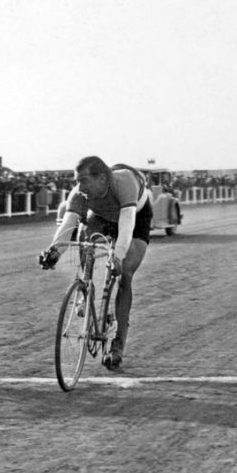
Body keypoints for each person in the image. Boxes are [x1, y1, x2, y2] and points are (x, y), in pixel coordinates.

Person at [38, 156, 152, 370]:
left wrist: (117, 257)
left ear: (101, 178)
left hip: (134, 217)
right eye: (76, 180)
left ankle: (117, 346)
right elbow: (68, 226)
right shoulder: (79, 194)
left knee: (125, 274)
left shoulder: (124, 182)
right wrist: (53, 252)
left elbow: (127, 225)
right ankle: (86, 290)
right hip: (101, 216)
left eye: (83, 180)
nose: (78, 186)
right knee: (85, 239)